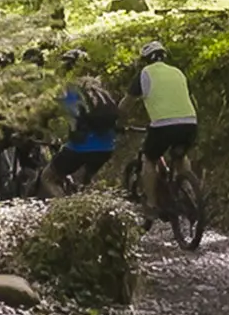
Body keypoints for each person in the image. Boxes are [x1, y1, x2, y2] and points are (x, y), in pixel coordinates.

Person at [130, 40, 198, 224]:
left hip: (163, 125)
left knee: (149, 159)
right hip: (190, 122)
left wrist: (117, 119)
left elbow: (127, 102)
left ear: (145, 60)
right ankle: (189, 191)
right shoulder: (178, 72)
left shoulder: (145, 73)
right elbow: (191, 99)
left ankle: (151, 204)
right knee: (180, 155)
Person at [42, 52, 119, 196]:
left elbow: (54, 113)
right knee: (88, 183)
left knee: (48, 177)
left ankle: (66, 211)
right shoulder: (99, 88)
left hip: (81, 148)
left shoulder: (69, 90)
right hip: (107, 147)